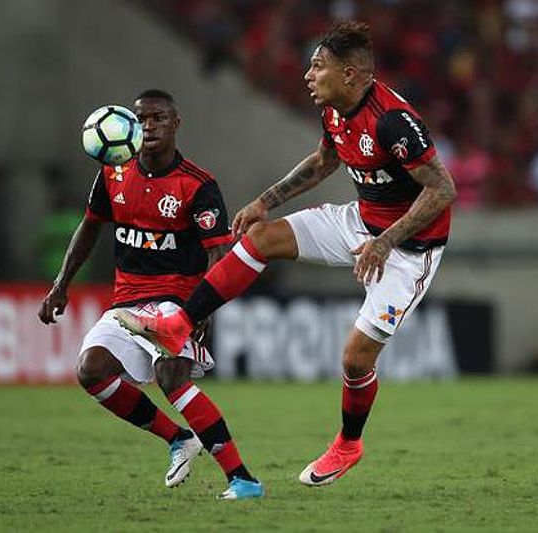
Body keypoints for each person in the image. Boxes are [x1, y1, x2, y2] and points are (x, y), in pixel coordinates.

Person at [115, 22, 457, 487]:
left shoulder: (392, 121)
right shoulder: (336, 111)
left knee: (356, 358)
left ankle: (348, 444)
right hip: (360, 221)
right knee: (262, 237)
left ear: (352, 74)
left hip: (409, 248)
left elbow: (442, 188)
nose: (308, 75)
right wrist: (264, 202)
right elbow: (323, 161)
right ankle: (179, 324)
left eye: (319, 67)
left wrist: (385, 242)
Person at [38, 89, 264, 500]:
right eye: (142, 119)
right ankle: (179, 438)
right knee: (91, 369)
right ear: (130, 126)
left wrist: (202, 309)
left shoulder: (197, 185)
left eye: (159, 118)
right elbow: (90, 225)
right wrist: (61, 284)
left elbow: (218, 252)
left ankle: (242, 479)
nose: (150, 126)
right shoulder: (113, 172)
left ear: (176, 124)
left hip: (177, 300)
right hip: (126, 302)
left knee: (170, 376)